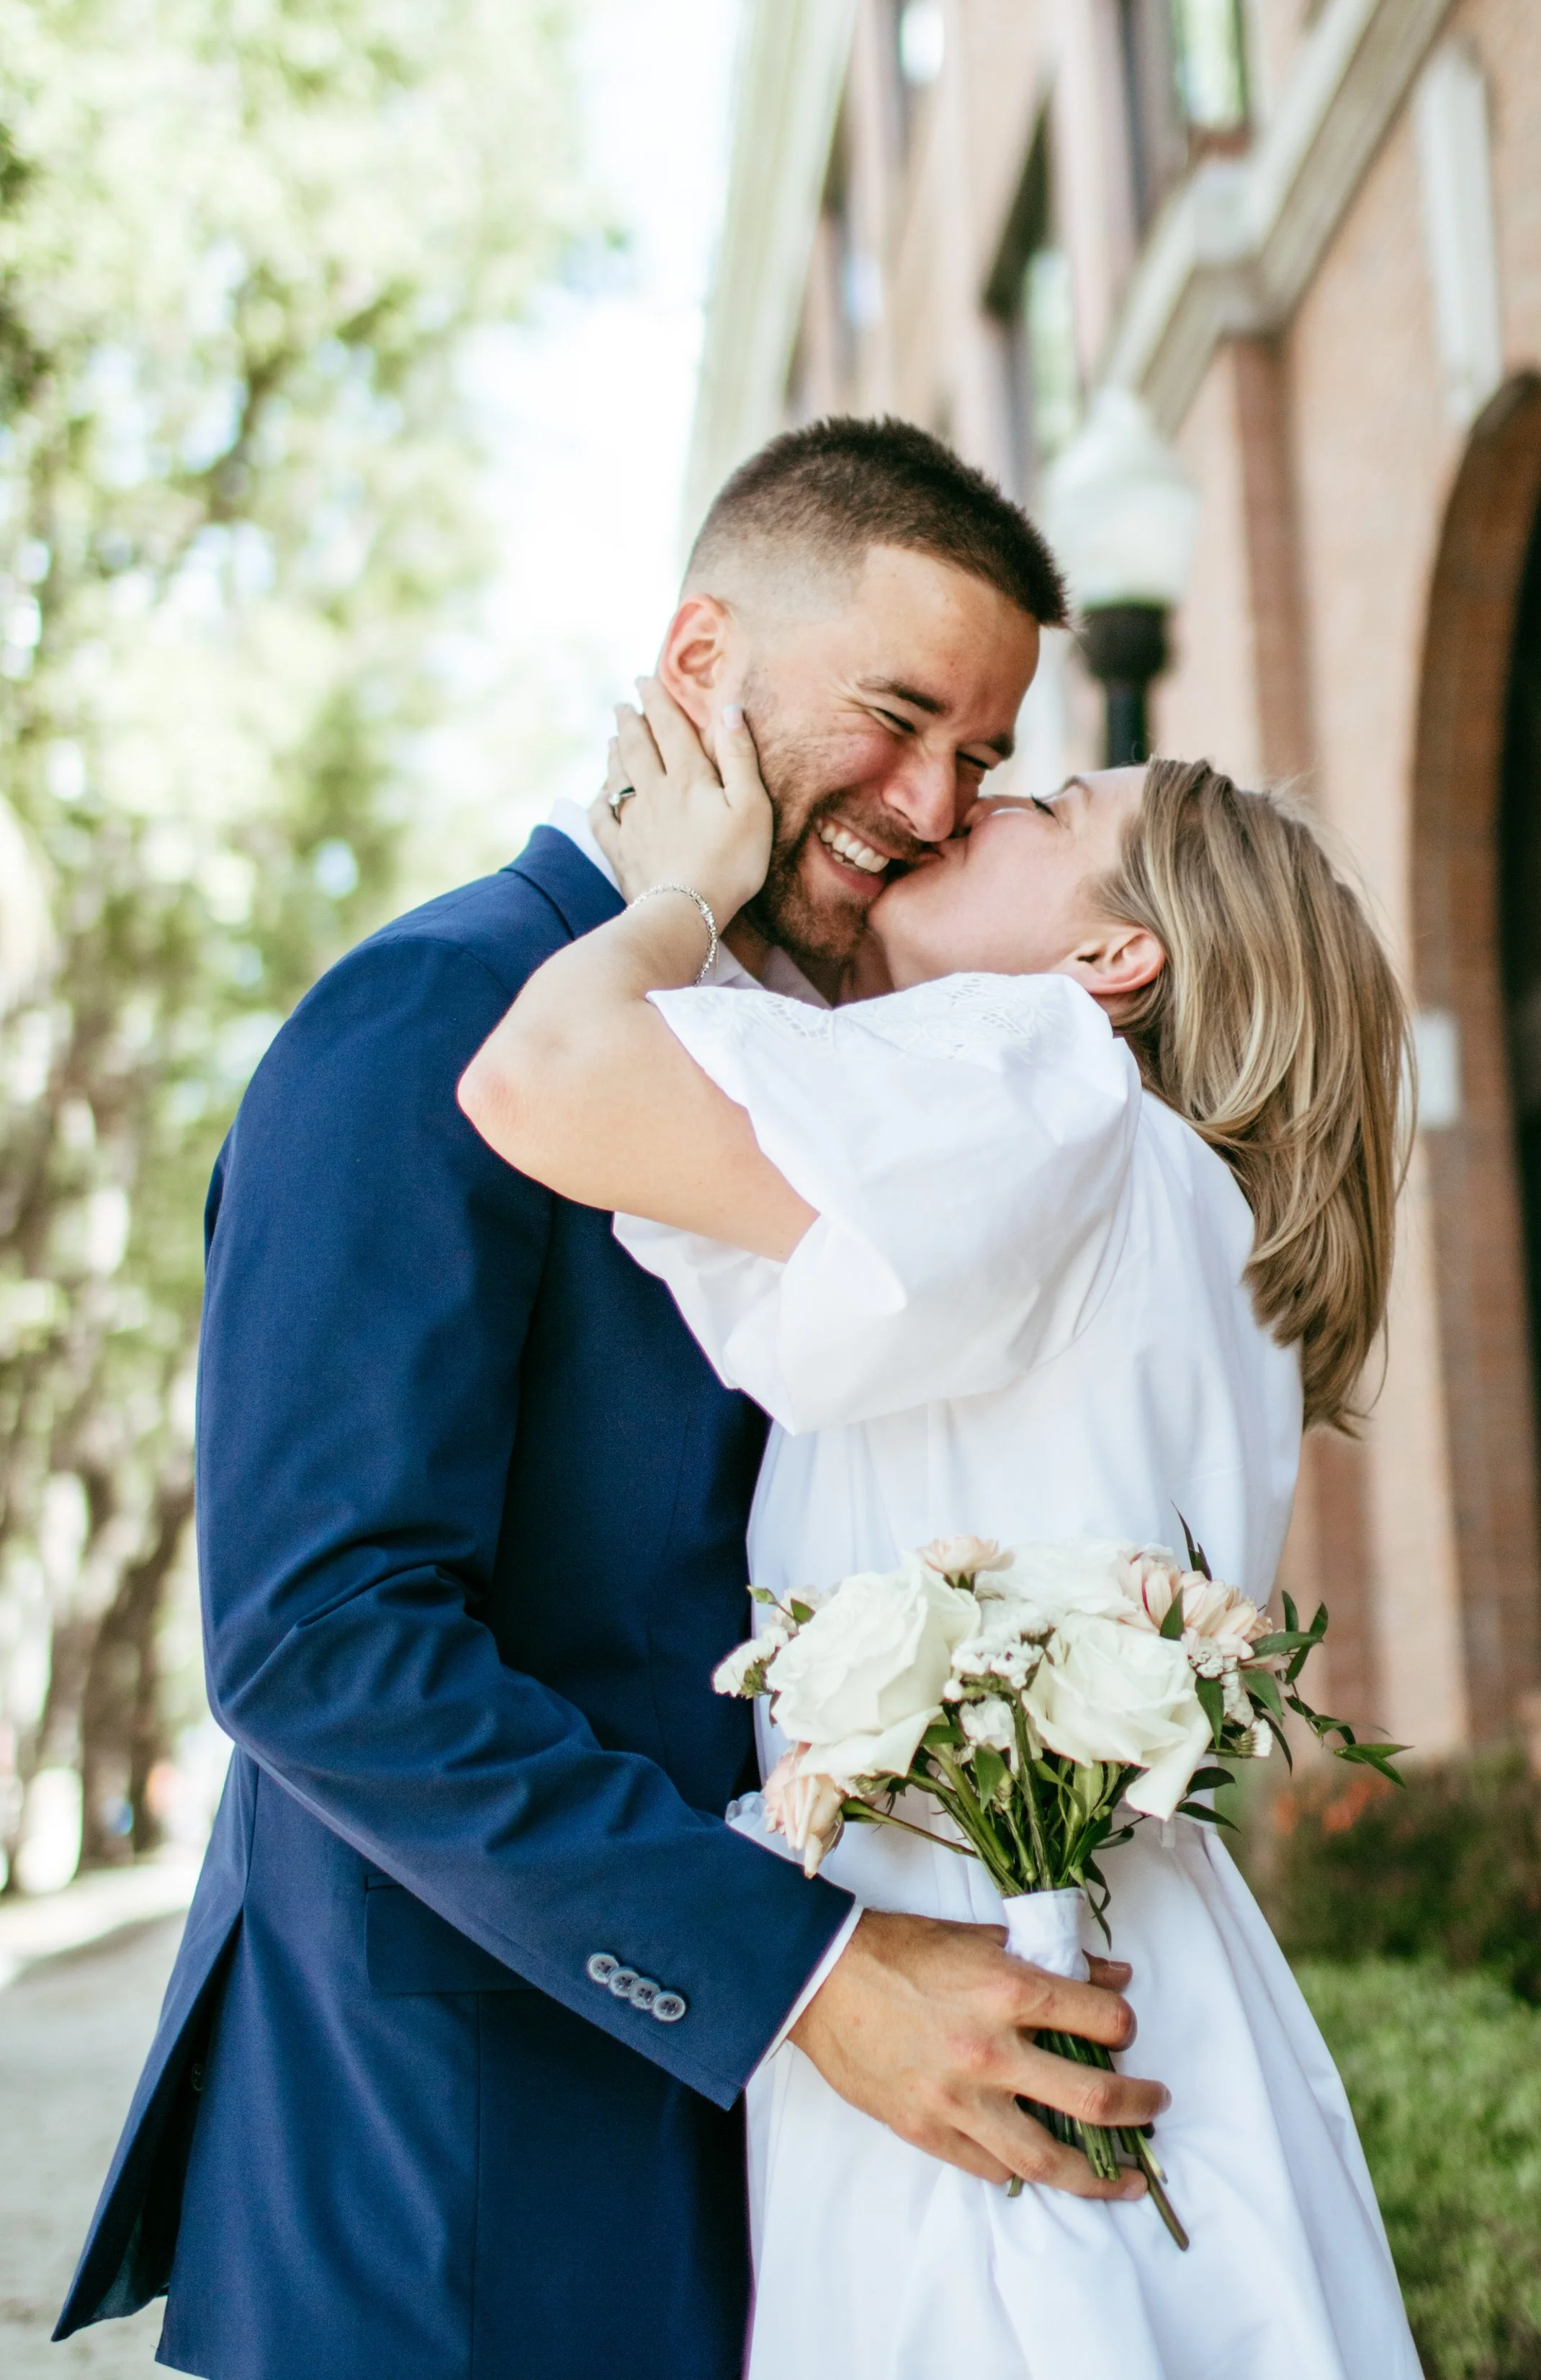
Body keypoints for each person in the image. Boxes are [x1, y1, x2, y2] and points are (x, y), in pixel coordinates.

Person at [55, 418, 1164, 2380]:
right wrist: (807, 1977)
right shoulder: (425, 1014)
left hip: (739, 2172)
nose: (926, 799)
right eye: (896, 716)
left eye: (980, 759)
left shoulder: (789, 1060)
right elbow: (318, 1638)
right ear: (698, 665)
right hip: (451, 2192)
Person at [457, 681, 1424, 2380]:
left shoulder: (1042, 1082)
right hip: (1123, 1969)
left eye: (1041, 811)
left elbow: (543, 1078)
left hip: (964, 1995)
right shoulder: (1192, 1217)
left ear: (1106, 968)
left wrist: (677, 891)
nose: (970, 808)